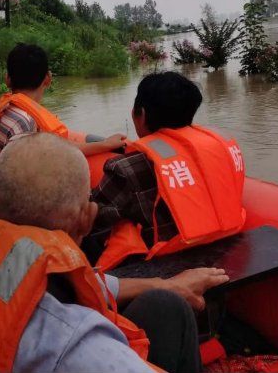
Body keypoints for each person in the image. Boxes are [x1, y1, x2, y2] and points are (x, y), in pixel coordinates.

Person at [0, 133, 229, 373]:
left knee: (164, 305)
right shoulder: (73, 342)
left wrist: (165, 283)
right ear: (86, 218)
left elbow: (56, 284)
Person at [85, 71, 246, 270]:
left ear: (141, 114)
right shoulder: (219, 151)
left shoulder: (124, 168)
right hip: (224, 247)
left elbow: (90, 217)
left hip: (163, 265)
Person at [0, 43, 126, 185]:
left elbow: (61, 147)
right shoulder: (26, 122)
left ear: (7, 80)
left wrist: (105, 144)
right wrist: (105, 145)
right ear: (48, 79)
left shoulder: (7, 109)